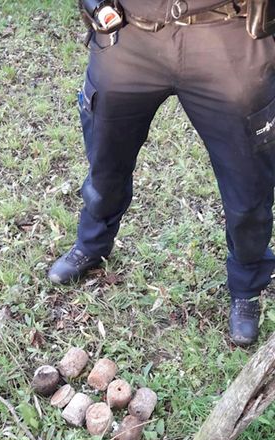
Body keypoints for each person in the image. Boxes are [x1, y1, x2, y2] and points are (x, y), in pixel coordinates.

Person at [48, 0, 275, 345]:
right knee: (106, 164)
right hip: (127, 33)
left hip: (230, 37)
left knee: (248, 187)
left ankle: (247, 284)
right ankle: (92, 243)